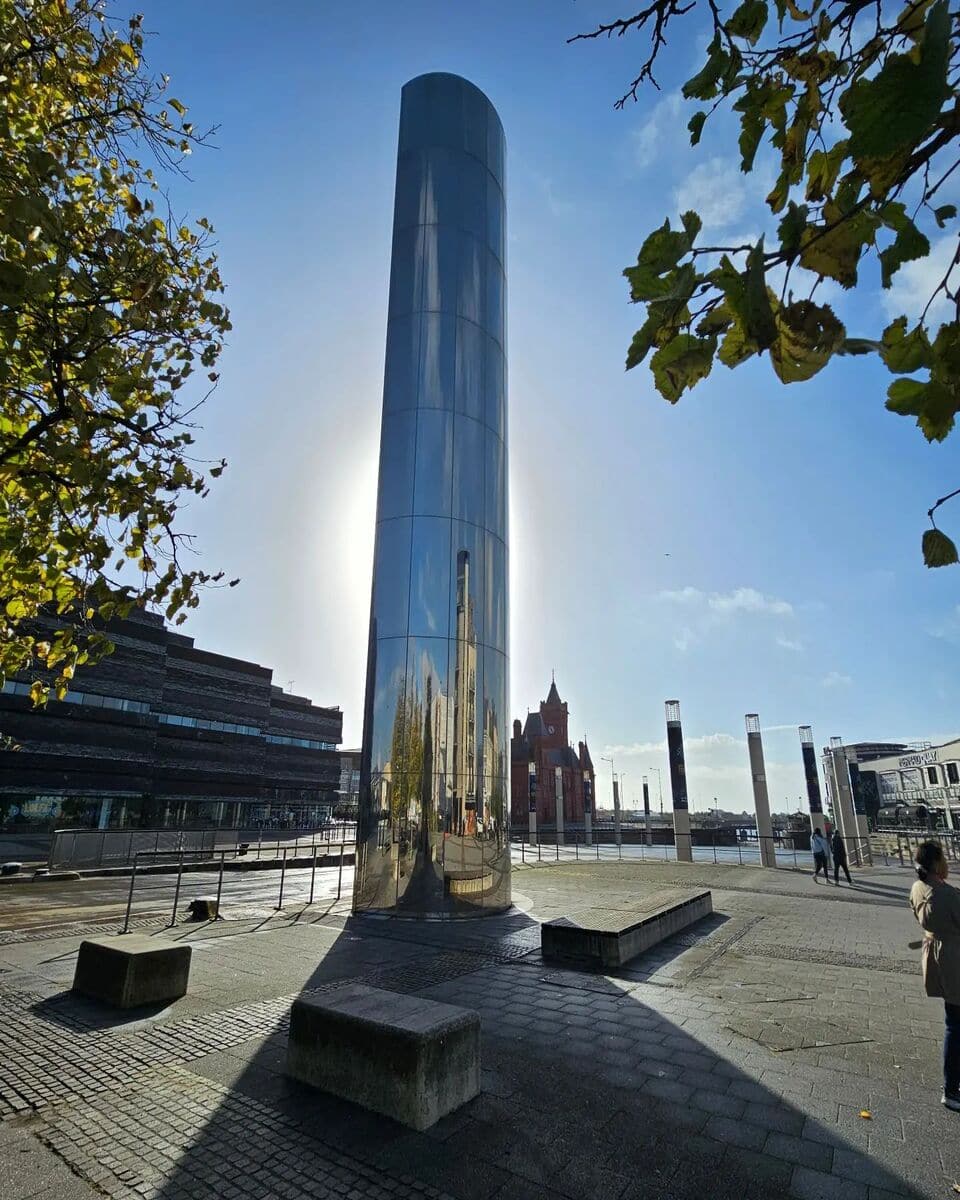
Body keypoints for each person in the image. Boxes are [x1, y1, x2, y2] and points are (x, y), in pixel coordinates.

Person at [909, 840, 960, 1112]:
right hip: (954, 960)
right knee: (955, 1025)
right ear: (937, 862)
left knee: (954, 1021)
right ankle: (952, 1089)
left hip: (934, 958)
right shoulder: (947, 895)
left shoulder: (918, 888)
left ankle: (954, 1085)